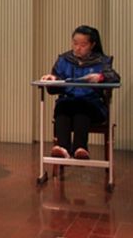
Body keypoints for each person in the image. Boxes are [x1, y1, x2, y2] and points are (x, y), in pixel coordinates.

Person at [41, 25, 119, 160]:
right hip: (67, 103)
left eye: (83, 45)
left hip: (92, 106)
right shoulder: (64, 59)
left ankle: (80, 148)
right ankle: (62, 148)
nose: (78, 48)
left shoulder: (102, 61)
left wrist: (100, 77)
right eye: (75, 43)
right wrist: (52, 79)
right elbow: (54, 88)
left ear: (92, 45)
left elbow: (115, 78)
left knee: (81, 108)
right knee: (62, 107)